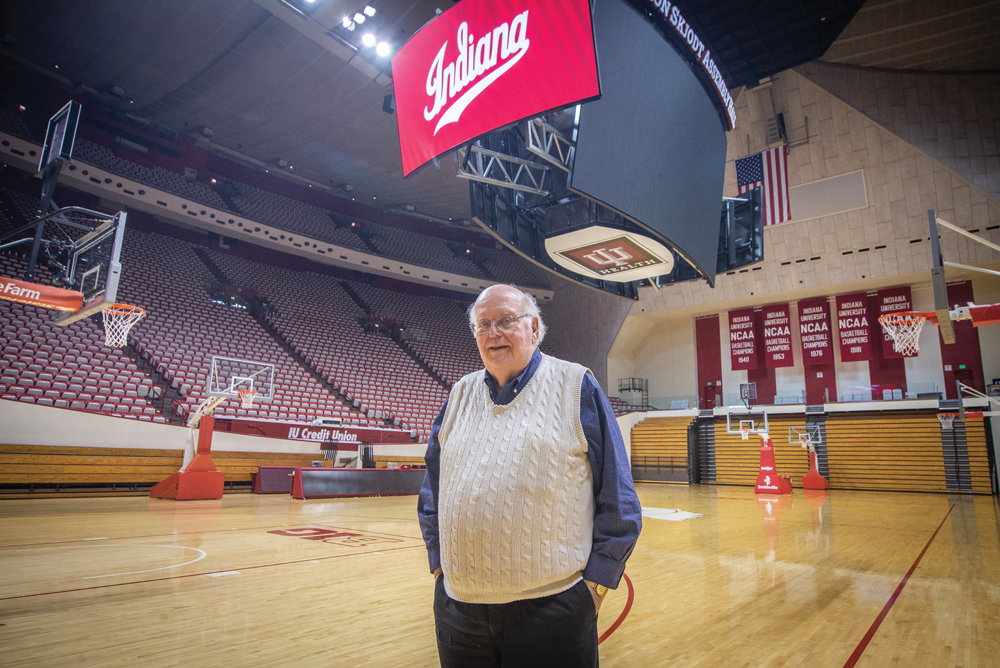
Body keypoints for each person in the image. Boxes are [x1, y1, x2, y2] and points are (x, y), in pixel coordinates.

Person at [417, 284, 642, 668]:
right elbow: (432, 491)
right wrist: (439, 563)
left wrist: (597, 586)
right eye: (483, 324)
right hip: (459, 608)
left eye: (506, 321)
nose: (493, 333)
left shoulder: (576, 386)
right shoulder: (456, 395)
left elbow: (618, 497)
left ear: (534, 328)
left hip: (554, 607)